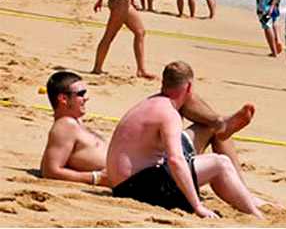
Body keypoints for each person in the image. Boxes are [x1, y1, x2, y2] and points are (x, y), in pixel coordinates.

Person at [40, 70, 258, 193]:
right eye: (81, 93)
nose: (86, 97)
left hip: (149, 166)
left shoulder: (74, 124)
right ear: (62, 98)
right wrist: (96, 178)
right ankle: (221, 127)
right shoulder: (64, 127)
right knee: (198, 116)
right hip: (145, 178)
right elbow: (50, 170)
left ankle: (221, 125)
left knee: (184, 102)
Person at [106, 62, 262, 217]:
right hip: (139, 188)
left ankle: (220, 124)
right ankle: (256, 215)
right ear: (189, 87)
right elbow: (175, 160)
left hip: (126, 182)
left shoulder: (150, 103)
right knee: (220, 163)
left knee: (209, 128)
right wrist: (197, 206)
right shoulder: (169, 114)